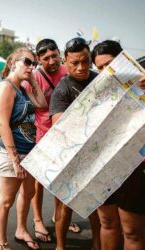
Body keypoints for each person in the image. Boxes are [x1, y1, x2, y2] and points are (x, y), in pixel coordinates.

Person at [91, 40, 145, 250]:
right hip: (104, 168)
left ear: (124, 60)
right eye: (100, 68)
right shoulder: (96, 93)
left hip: (138, 167)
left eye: (110, 64)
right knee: (107, 224)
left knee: (132, 232)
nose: (106, 71)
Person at [23, 39, 81, 243]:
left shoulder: (68, 71)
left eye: (54, 55)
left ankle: (61, 217)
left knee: (65, 178)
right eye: (46, 58)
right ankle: (37, 220)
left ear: (60, 53)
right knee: (40, 181)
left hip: (68, 135)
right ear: (39, 60)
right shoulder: (34, 77)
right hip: (44, 135)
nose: (52, 61)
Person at [49, 37, 101, 250]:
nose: (81, 67)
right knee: (65, 205)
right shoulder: (62, 88)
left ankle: (98, 246)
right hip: (69, 154)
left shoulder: (101, 80)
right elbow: (58, 124)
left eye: (85, 61)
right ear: (65, 61)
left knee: (97, 205)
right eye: (74, 63)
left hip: (97, 154)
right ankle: (61, 246)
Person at [0, 47, 47, 250]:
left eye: (33, 64)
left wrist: (32, 81)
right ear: (12, 63)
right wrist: (15, 160)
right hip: (12, 154)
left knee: (29, 192)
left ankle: (21, 229)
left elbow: (41, 103)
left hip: (29, 151)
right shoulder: (6, 87)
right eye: (26, 62)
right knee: (6, 200)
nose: (31, 66)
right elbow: (2, 124)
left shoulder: (22, 88)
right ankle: (2, 243)